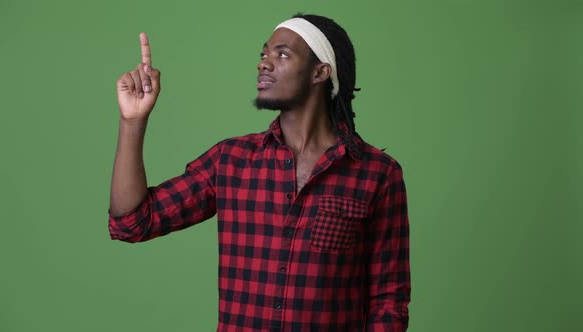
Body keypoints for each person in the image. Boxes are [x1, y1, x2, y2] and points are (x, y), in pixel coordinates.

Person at [109, 13, 410, 332]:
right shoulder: (231, 161)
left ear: (320, 72)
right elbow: (132, 222)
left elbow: (388, 301)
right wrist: (133, 121)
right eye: (263, 54)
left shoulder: (377, 174)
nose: (263, 64)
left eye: (282, 54)